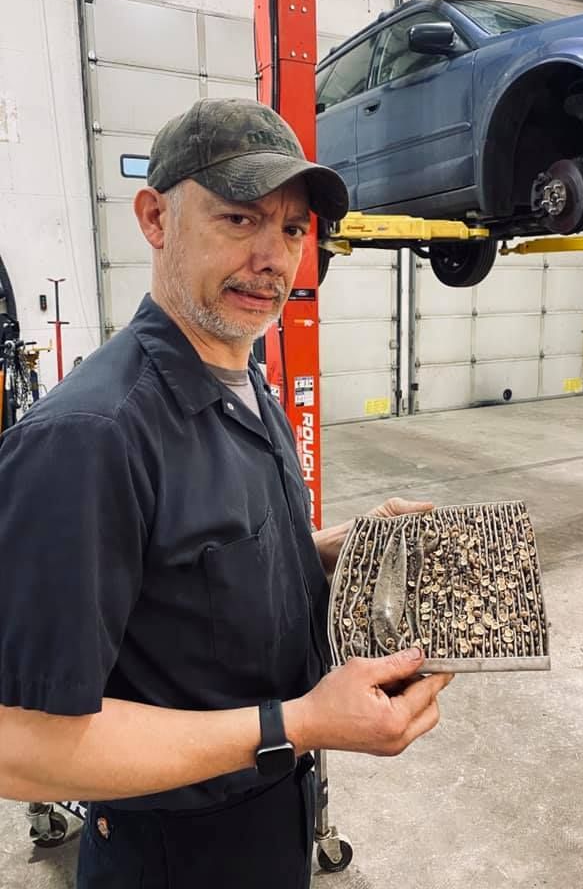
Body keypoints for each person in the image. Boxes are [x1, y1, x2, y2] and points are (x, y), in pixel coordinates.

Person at [0, 98, 454, 888]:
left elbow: (189, 576)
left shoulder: (243, 378)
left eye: (292, 229)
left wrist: (333, 549)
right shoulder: (91, 437)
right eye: (240, 219)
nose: (273, 257)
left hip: (270, 822)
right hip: (176, 857)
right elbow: (20, 747)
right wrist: (302, 722)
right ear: (154, 217)